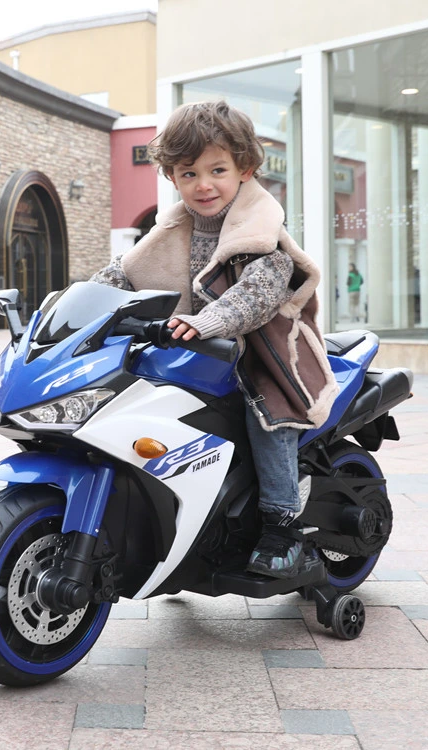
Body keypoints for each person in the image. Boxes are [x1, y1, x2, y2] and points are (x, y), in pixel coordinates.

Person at [90, 101, 338, 579]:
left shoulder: (262, 232)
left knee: (265, 410)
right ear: (172, 177)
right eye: (188, 174)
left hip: (266, 348)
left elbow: (256, 296)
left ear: (245, 169)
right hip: (198, 352)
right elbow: (122, 274)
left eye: (217, 170)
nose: (203, 185)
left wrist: (205, 324)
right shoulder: (172, 228)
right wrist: (64, 305)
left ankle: (281, 525)